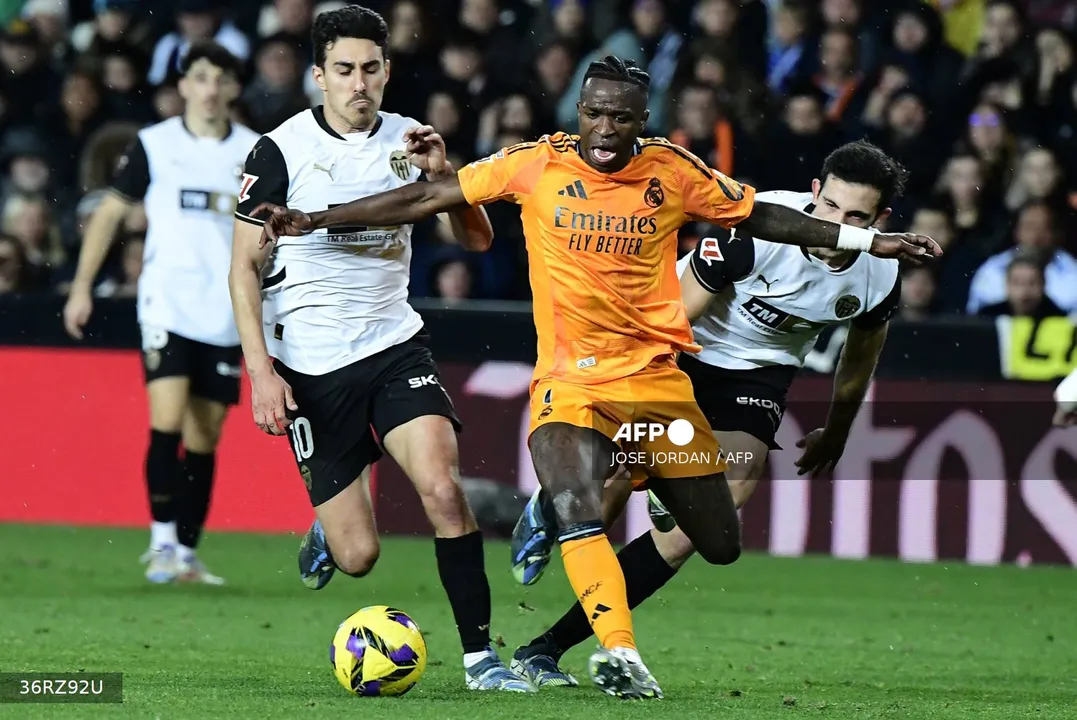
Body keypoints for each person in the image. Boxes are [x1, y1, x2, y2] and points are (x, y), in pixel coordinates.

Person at [252, 56, 940, 699]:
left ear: (643, 121)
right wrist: (317, 218)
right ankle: (612, 648)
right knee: (585, 499)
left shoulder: (673, 171)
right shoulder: (534, 164)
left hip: (662, 381)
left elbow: (758, 215)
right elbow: (431, 196)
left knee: (719, 541)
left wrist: (866, 246)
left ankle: (603, 495)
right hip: (583, 378)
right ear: (578, 109)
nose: (605, 131)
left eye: (621, 118)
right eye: (594, 113)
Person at [507, 140, 908, 687]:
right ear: (814, 194)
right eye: (830, 208)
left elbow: (859, 359)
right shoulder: (758, 229)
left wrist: (837, 432)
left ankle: (545, 650)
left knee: (712, 510)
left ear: (880, 220)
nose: (839, 226)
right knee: (606, 499)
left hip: (758, 378)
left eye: (858, 217)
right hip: (674, 348)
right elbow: (676, 310)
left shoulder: (879, 275)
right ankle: (568, 499)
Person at [228, 6, 532, 693]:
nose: (358, 82)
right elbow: (242, 267)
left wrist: (446, 175)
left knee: (442, 491)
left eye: (370, 68)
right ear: (318, 76)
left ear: (387, 70)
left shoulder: (412, 139)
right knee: (358, 556)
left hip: (395, 348)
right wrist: (261, 374)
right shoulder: (278, 151)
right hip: (308, 368)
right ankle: (328, 531)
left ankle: (482, 659)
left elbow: (476, 240)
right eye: (343, 70)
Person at [62, 41, 257, 586]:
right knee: (166, 420)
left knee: (206, 435)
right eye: (199, 77)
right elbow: (108, 216)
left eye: (220, 78)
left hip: (225, 309)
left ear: (234, 88)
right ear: (183, 86)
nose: (210, 88)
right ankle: (162, 542)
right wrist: (83, 288)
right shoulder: (154, 144)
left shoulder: (255, 150)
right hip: (166, 301)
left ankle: (188, 554)